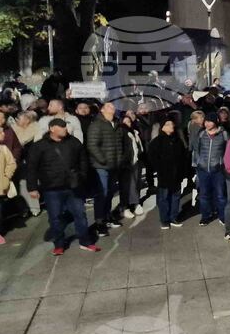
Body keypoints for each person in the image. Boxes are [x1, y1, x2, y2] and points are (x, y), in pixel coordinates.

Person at [26, 119, 101, 254]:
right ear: (52, 129)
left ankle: (85, 241)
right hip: (51, 188)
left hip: (73, 186)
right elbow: (31, 167)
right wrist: (32, 187)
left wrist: (82, 175)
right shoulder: (39, 146)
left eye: (65, 127)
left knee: (80, 214)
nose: (64, 129)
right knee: (55, 217)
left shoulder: (73, 142)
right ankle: (59, 244)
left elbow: (83, 159)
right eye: (61, 127)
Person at [86, 102, 125, 236]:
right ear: (102, 110)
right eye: (109, 106)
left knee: (109, 193)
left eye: (114, 107)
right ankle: (99, 222)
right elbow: (92, 145)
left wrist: (119, 160)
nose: (112, 108)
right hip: (101, 166)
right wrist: (103, 160)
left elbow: (120, 144)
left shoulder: (116, 124)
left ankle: (108, 217)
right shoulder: (97, 124)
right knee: (102, 194)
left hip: (114, 165)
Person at [147, 118, 187, 229]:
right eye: (168, 124)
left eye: (172, 124)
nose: (171, 126)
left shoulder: (177, 140)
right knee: (163, 198)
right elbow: (152, 157)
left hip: (177, 174)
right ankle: (164, 219)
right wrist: (160, 168)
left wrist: (182, 171)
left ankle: (173, 217)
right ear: (162, 127)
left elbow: (183, 156)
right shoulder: (157, 141)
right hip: (164, 175)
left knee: (176, 196)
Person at [193, 113, 228, 226]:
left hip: (218, 170)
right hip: (203, 169)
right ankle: (205, 216)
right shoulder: (202, 133)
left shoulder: (224, 134)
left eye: (210, 121)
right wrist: (198, 163)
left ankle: (222, 216)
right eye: (206, 121)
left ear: (216, 122)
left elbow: (229, 150)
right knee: (204, 195)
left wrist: (223, 163)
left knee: (220, 195)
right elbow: (196, 149)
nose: (207, 124)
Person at [119, 115, 146, 219]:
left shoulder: (135, 132)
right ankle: (125, 207)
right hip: (126, 163)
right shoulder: (121, 132)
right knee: (127, 185)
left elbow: (140, 146)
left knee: (136, 183)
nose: (127, 124)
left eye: (129, 122)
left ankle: (135, 203)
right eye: (125, 122)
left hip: (136, 161)